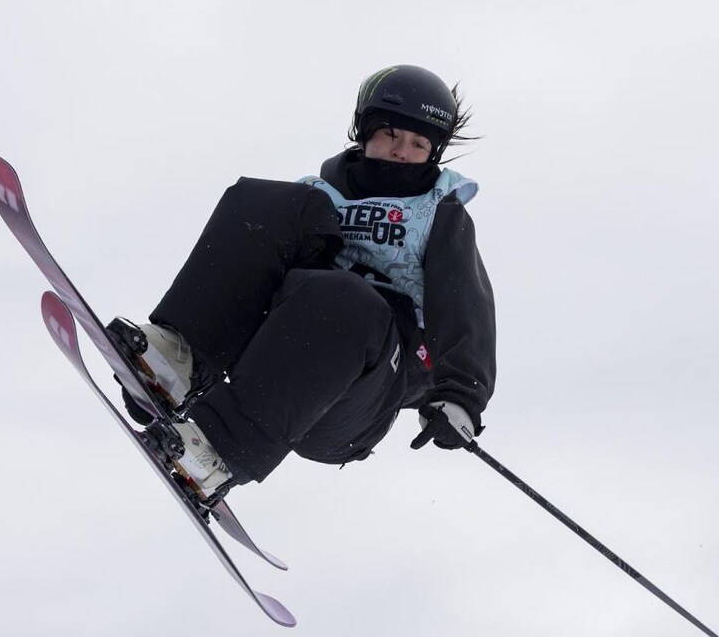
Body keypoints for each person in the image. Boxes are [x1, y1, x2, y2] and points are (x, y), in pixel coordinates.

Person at [111, 64, 497, 500]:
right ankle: (179, 360)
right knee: (267, 204)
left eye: (418, 143)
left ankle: (217, 453)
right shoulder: (318, 195)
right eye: (390, 133)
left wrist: (461, 396)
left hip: (360, 395)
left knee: (348, 299)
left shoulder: (437, 214)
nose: (401, 151)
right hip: (279, 361)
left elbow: (467, 303)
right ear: (364, 130)